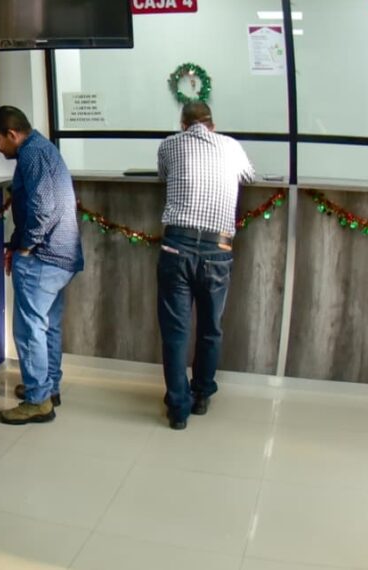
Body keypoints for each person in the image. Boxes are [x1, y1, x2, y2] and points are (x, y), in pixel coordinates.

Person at [156, 102, 256, 430]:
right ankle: (202, 395)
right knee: (210, 328)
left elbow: (164, 176)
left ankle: (179, 409)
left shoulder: (170, 144)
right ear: (212, 124)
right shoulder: (231, 146)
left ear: (184, 124)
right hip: (218, 248)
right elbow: (249, 177)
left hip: (177, 247)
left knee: (176, 332)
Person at [0, 106, 83, 426]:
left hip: (43, 257)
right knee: (47, 326)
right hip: (61, 256)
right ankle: (47, 387)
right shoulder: (42, 148)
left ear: (13, 135)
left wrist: (26, 246)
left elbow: (43, 208)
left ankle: (37, 400)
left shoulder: (31, 155)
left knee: (29, 330)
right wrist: (17, 244)